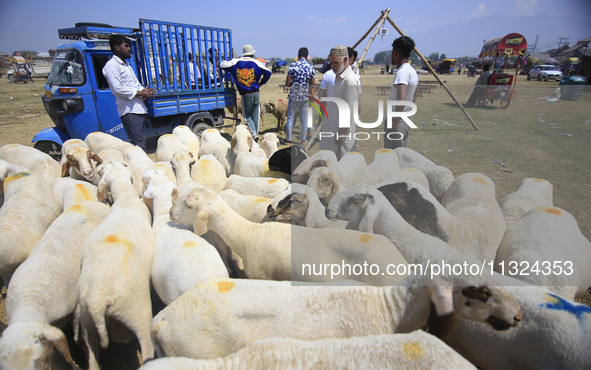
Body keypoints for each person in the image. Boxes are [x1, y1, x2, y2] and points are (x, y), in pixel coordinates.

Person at [103, 34, 156, 150]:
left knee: (141, 143)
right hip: (130, 111)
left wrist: (144, 91)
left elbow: (135, 85)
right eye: (126, 46)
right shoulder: (111, 66)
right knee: (139, 146)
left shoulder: (126, 66)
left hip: (138, 109)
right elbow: (118, 88)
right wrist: (141, 93)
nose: (129, 49)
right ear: (117, 47)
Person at [318, 45, 361, 159]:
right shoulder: (338, 77)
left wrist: (342, 132)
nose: (332, 66)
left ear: (346, 59)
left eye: (336, 62)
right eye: (331, 62)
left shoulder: (350, 80)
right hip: (331, 131)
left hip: (340, 136)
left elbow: (351, 110)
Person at [221, 44, 272, 137]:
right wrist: (260, 83)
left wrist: (232, 59)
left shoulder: (236, 62)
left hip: (245, 94)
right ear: (252, 54)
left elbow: (222, 64)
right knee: (255, 116)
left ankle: (253, 133)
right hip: (256, 93)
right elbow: (268, 72)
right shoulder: (257, 63)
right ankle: (255, 134)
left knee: (247, 116)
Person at [386, 36, 418, 150]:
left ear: (395, 52)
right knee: (401, 154)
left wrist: (396, 119)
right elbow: (415, 94)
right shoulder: (412, 71)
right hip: (405, 119)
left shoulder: (402, 72)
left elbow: (401, 98)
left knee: (393, 157)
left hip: (397, 121)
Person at [282, 47, 315, 145]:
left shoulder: (292, 66)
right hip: (305, 96)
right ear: (307, 56)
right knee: (304, 118)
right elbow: (312, 84)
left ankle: (288, 139)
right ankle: (303, 139)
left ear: (298, 55)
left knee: (290, 117)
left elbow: (287, 83)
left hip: (294, 96)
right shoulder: (310, 67)